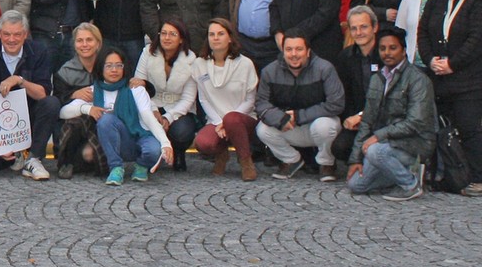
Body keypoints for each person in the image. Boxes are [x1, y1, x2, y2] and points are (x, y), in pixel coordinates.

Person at [0, 10, 60, 182]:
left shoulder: (39, 51)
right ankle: (14, 156)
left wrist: (19, 80)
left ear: (25, 34)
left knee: (51, 103)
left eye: (17, 34)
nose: (11, 39)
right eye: (7, 34)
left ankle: (32, 158)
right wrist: (0, 144)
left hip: (29, 119)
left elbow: (43, 93)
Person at [347, 27, 437, 201]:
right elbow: (367, 121)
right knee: (356, 185)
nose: (387, 53)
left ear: (403, 50)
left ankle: (410, 185)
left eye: (393, 48)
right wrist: (355, 159)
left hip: (415, 143)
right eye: (382, 48)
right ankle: (401, 173)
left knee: (375, 151)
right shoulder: (377, 78)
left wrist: (378, 136)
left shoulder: (418, 79)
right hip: (386, 143)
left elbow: (416, 122)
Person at [419, 0, 482, 195]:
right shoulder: (437, 0)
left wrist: (452, 64)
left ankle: (478, 177)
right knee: (442, 129)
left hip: (468, 80)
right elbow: (422, 33)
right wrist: (430, 59)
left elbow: (476, 39)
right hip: (438, 76)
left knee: (469, 128)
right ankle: (447, 175)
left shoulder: (477, 2)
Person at [67, 46, 173, 185]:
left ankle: (141, 166)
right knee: (106, 120)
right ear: (100, 68)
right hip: (117, 141)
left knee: (154, 150)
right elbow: (64, 111)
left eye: (118, 65)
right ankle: (116, 167)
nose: (114, 70)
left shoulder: (135, 89)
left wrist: (165, 143)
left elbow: (148, 117)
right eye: (109, 66)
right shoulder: (94, 91)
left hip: (141, 136)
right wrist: (87, 108)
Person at [255, 33, 345, 180]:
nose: (294, 54)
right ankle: (291, 160)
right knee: (262, 129)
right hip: (289, 125)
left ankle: (327, 163)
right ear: (283, 51)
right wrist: (280, 118)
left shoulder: (325, 68)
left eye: (299, 49)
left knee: (324, 126)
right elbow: (261, 103)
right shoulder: (269, 71)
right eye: (289, 49)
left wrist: (299, 115)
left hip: (319, 125)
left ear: (308, 51)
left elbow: (336, 103)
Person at [192, 18, 260, 181]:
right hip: (216, 121)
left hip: (243, 119)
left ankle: (246, 162)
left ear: (230, 38)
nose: (215, 38)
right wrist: (219, 122)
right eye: (212, 34)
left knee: (232, 119)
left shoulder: (245, 64)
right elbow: (203, 99)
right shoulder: (199, 64)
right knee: (203, 143)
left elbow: (250, 100)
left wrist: (228, 122)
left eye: (220, 34)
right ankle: (221, 154)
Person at [132, 20, 198, 171]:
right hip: (151, 103)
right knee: (146, 122)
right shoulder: (148, 52)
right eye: (164, 33)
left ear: (181, 39)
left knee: (182, 132)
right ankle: (152, 153)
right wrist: (153, 110)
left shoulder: (191, 59)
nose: (167, 38)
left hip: (179, 108)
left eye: (172, 34)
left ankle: (178, 152)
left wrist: (169, 117)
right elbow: (139, 86)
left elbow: (188, 98)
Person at [331, 6, 383, 174]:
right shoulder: (345, 57)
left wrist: (363, 116)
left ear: (375, 27)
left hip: (386, 120)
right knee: (339, 147)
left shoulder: (387, 54)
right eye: (354, 28)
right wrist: (350, 119)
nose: (359, 32)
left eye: (364, 27)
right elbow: (344, 96)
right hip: (358, 122)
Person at [54, 22, 106, 178]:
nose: (84, 45)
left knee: (89, 154)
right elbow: (57, 102)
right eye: (79, 40)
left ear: (98, 43)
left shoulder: (109, 66)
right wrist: (73, 94)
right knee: (75, 123)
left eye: (89, 40)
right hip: (74, 126)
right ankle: (66, 161)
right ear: (74, 44)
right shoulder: (65, 71)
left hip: (101, 122)